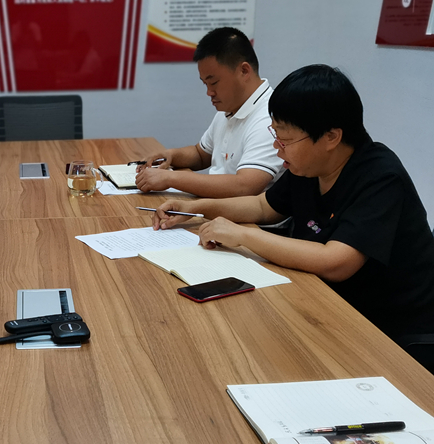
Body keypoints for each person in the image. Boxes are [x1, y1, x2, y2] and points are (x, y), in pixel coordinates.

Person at [151, 64, 434, 368]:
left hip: (394, 335)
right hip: (327, 307)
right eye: (275, 135)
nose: (277, 148)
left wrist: (245, 235)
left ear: (331, 137)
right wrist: (196, 208)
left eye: (285, 140)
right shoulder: (310, 166)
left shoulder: (380, 176)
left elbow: (336, 262)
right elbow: (263, 206)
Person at [135, 27, 284, 197]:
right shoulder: (230, 107)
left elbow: (245, 186)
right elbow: (200, 154)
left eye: (213, 83)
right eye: (205, 84)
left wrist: (170, 178)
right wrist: (171, 155)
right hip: (216, 206)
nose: (209, 92)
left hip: (243, 214)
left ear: (244, 71)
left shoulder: (269, 118)